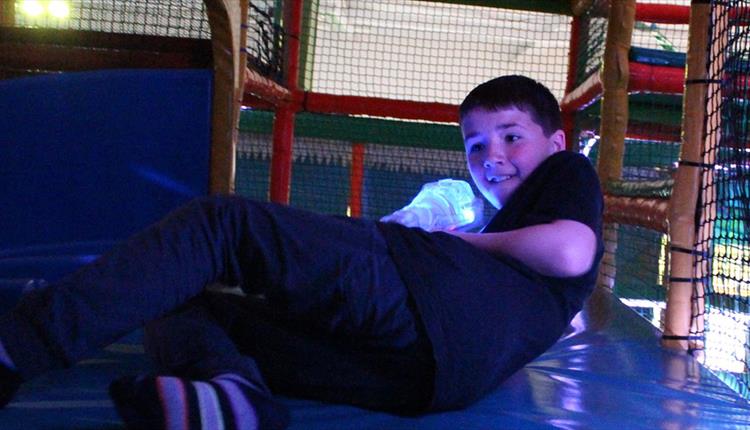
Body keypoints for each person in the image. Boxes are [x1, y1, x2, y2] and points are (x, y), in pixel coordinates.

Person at [0, 75, 603, 429]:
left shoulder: (567, 170)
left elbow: (573, 251)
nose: (490, 155)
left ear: (553, 140)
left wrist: (454, 241)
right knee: (175, 287)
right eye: (474, 146)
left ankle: (17, 344)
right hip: (429, 379)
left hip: (425, 295)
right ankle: (234, 397)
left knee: (224, 226)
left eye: (510, 136)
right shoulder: (508, 236)